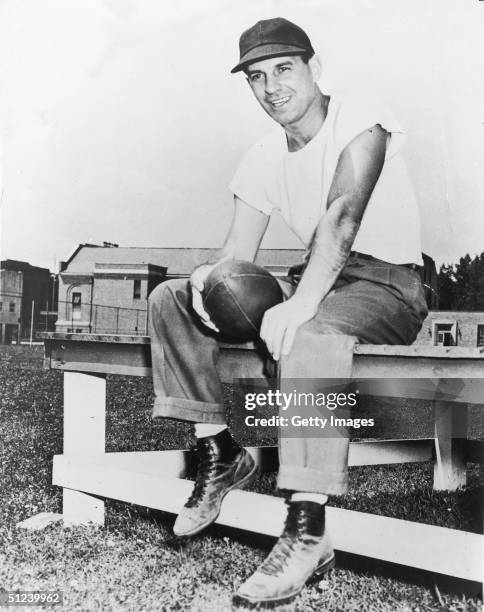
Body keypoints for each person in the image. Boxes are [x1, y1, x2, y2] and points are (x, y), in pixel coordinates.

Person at [148, 17, 428, 607]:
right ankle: (220, 453)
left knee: (310, 332)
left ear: (313, 67)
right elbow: (234, 260)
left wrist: (302, 304)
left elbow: (343, 219)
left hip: (386, 284)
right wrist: (207, 282)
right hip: (315, 278)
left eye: (283, 69)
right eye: (256, 76)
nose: (271, 86)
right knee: (170, 297)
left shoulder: (361, 112)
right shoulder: (261, 154)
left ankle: (308, 530)